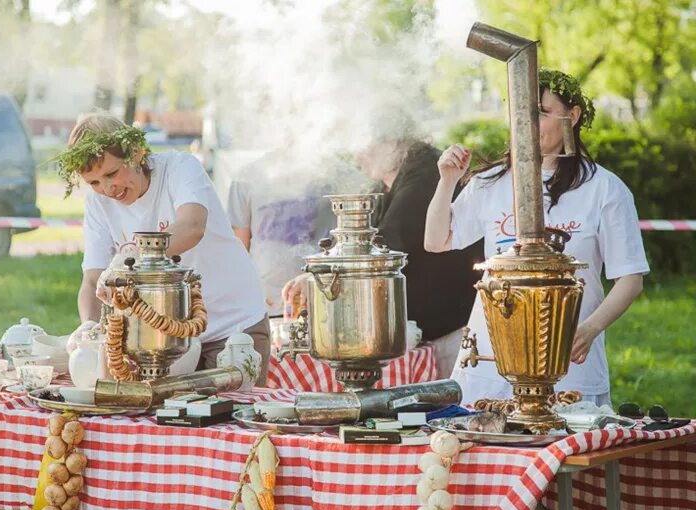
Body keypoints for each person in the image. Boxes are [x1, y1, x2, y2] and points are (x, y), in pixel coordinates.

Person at [424, 69, 648, 406]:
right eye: (520, 111)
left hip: (568, 367)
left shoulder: (604, 189)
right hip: (488, 363)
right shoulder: (491, 183)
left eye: (541, 112)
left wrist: (588, 330)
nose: (526, 122)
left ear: (571, 117)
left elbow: (630, 278)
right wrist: (447, 181)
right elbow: (436, 240)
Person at [58, 113, 270, 384]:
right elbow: (92, 279)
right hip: (164, 340)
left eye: (112, 173)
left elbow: (192, 226)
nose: (107, 188)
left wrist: (129, 257)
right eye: (94, 182)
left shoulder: (180, 168)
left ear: (136, 153)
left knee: (229, 418)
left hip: (233, 325)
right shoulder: (98, 204)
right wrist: (88, 326)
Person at [282, 137, 484, 379]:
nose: (357, 157)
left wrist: (322, 274)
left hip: (448, 333)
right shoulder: (383, 185)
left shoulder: (425, 175)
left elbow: (388, 243)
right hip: (419, 337)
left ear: (392, 139)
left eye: (362, 144)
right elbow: (358, 239)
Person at [227, 151, 362, 318]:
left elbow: (355, 245)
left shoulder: (337, 174)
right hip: (265, 306)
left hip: (328, 301)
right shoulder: (246, 177)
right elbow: (238, 252)